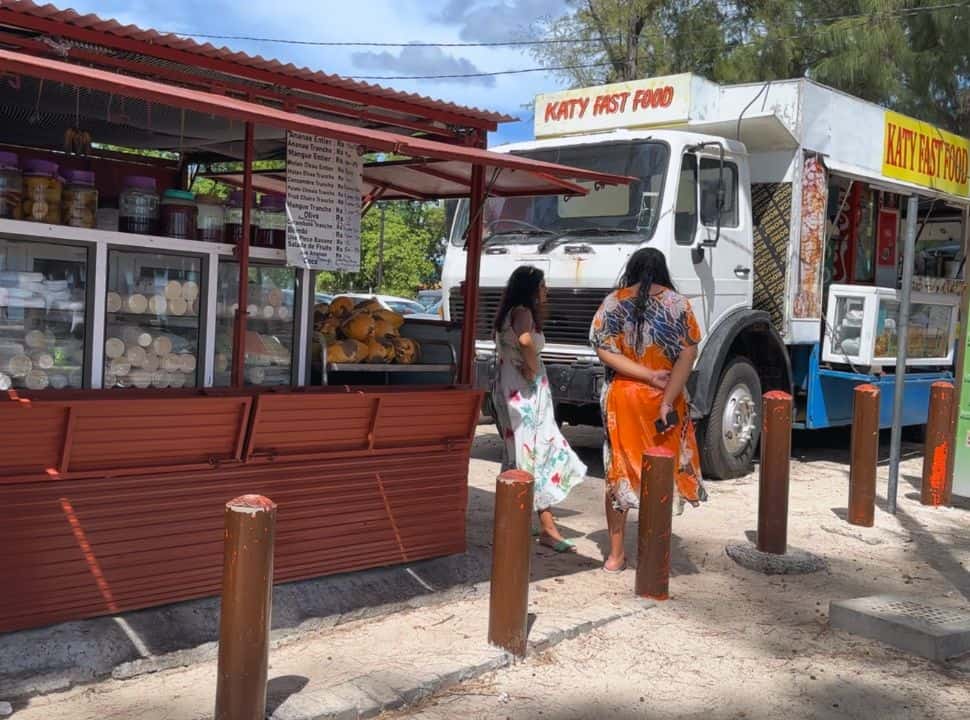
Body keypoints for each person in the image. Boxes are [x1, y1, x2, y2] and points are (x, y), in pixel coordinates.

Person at [589, 248, 706, 573]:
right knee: (662, 475)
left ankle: (615, 555)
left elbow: (602, 348)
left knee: (619, 473)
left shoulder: (613, 302)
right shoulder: (679, 305)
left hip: (624, 399)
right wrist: (667, 397)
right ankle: (655, 555)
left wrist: (643, 374)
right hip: (664, 401)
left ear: (632, 269)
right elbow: (688, 354)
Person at [493, 265, 588, 552]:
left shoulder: (507, 312)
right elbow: (524, 341)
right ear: (532, 289)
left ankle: (514, 517)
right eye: (543, 286)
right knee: (536, 452)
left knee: (519, 452)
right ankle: (547, 528)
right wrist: (533, 369)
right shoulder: (523, 312)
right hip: (524, 391)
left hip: (510, 386)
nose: (546, 291)